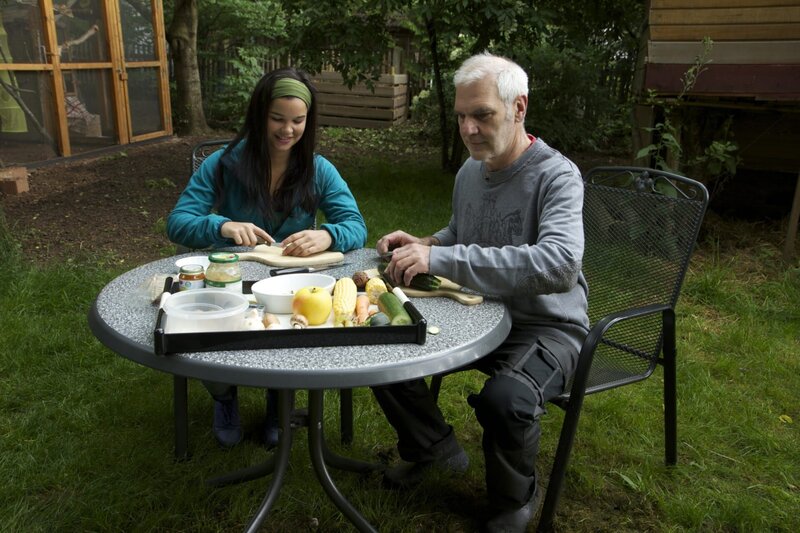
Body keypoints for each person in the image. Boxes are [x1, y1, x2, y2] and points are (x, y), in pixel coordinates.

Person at [372, 52, 589, 532]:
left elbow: (558, 266)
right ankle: (434, 449)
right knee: (379, 351)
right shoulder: (472, 170)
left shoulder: (557, 176)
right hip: (476, 313)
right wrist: (426, 244)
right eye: (461, 117)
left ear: (519, 108)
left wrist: (442, 260)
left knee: (505, 399)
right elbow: (462, 232)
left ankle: (513, 502)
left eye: (482, 115)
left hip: (546, 326)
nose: (468, 129)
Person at [167, 68, 367, 448]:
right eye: (277, 118)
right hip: (231, 283)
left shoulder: (317, 169)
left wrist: (327, 233)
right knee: (208, 333)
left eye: (298, 120)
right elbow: (178, 223)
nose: (287, 130)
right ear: (259, 115)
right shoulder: (224, 164)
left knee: (295, 330)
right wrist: (221, 226)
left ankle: (280, 399)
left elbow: (355, 225)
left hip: (291, 285)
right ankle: (225, 396)